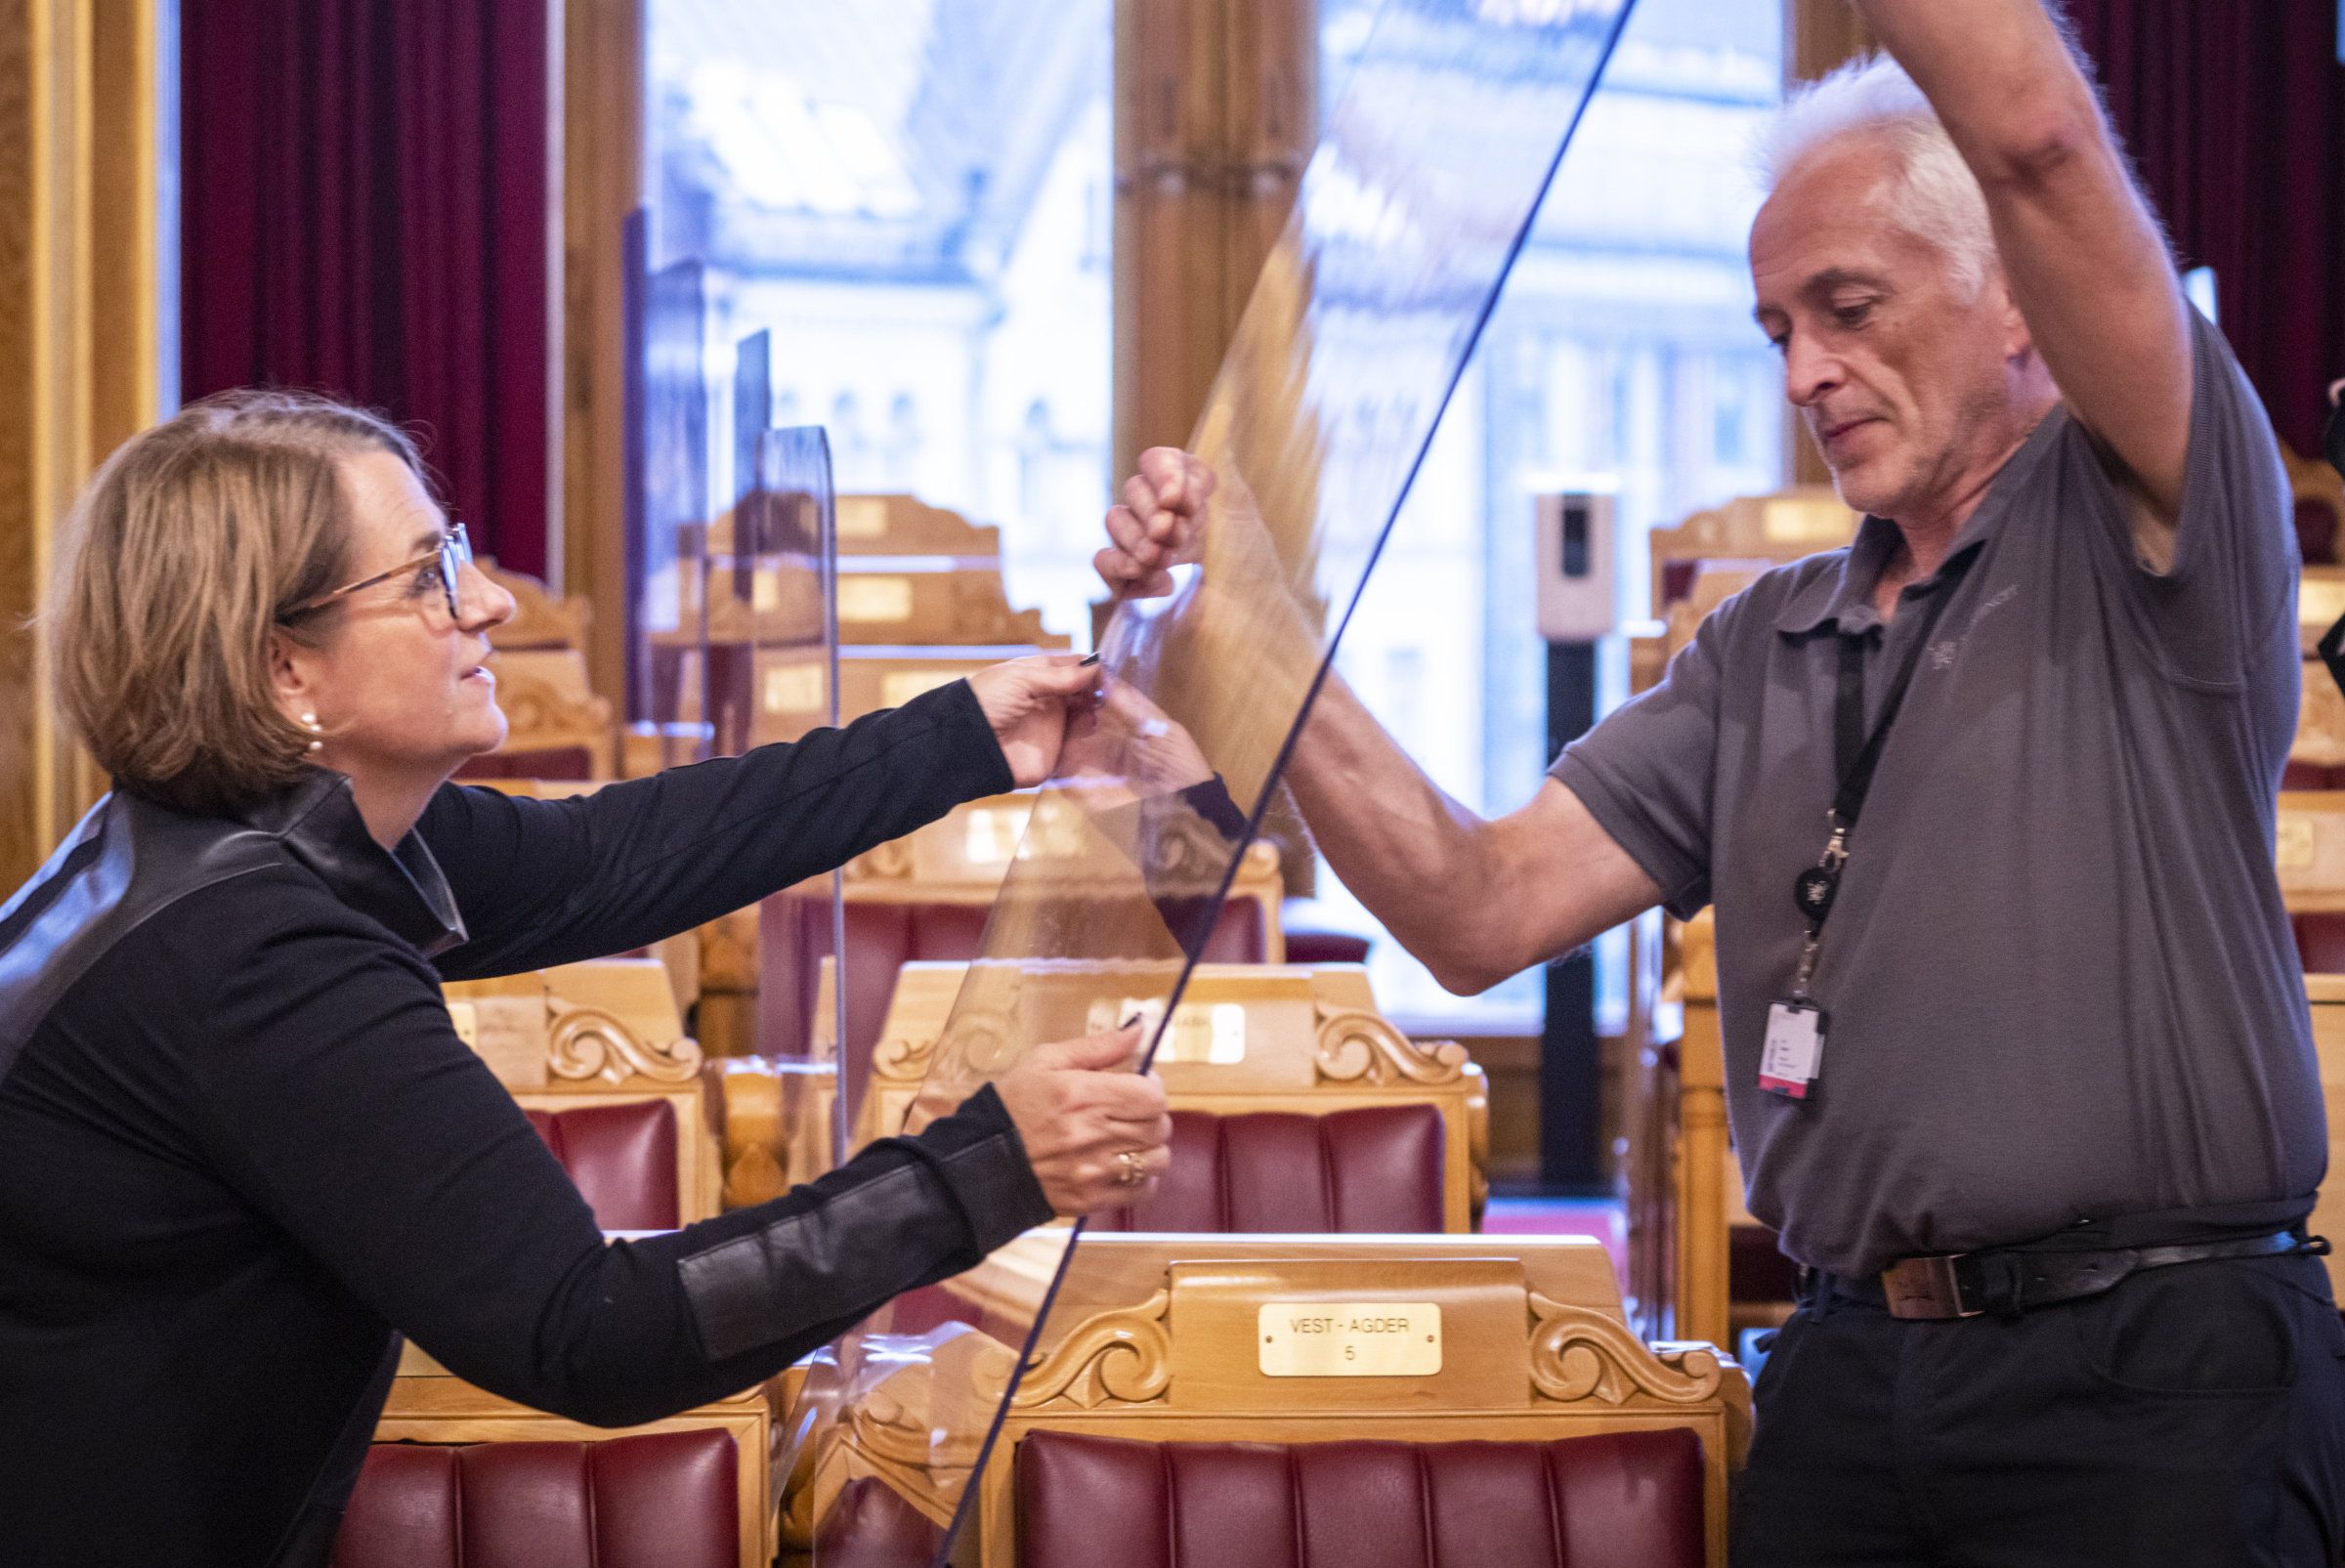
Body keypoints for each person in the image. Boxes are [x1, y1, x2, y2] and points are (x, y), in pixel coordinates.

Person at [1098, 3, 2345, 1561]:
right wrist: (1247, 616)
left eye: (1850, 307)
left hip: (2159, 1380)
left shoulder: (2159, 525)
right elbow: (1474, 909)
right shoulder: (1763, 643)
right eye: (1778, 332)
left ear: (2014, 297)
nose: (1807, 372)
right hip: (1852, 1377)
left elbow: (2033, 136)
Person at [0, 390, 1173, 1568]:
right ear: (286, 669)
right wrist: (988, 1167)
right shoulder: (257, 962)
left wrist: (971, 736)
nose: (491, 602)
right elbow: (592, 1333)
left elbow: (609, 859)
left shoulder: (216, 841)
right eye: (426, 579)